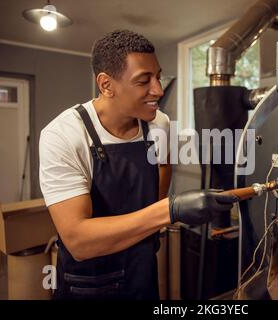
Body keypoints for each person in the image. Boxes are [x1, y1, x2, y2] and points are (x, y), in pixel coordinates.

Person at [39, 30, 237, 299]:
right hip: (88, 282)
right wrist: (169, 211)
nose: (158, 89)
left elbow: (163, 167)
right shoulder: (63, 134)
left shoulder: (159, 124)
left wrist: (155, 220)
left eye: (158, 76)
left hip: (142, 268)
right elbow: (78, 241)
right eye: (144, 80)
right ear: (106, 85)